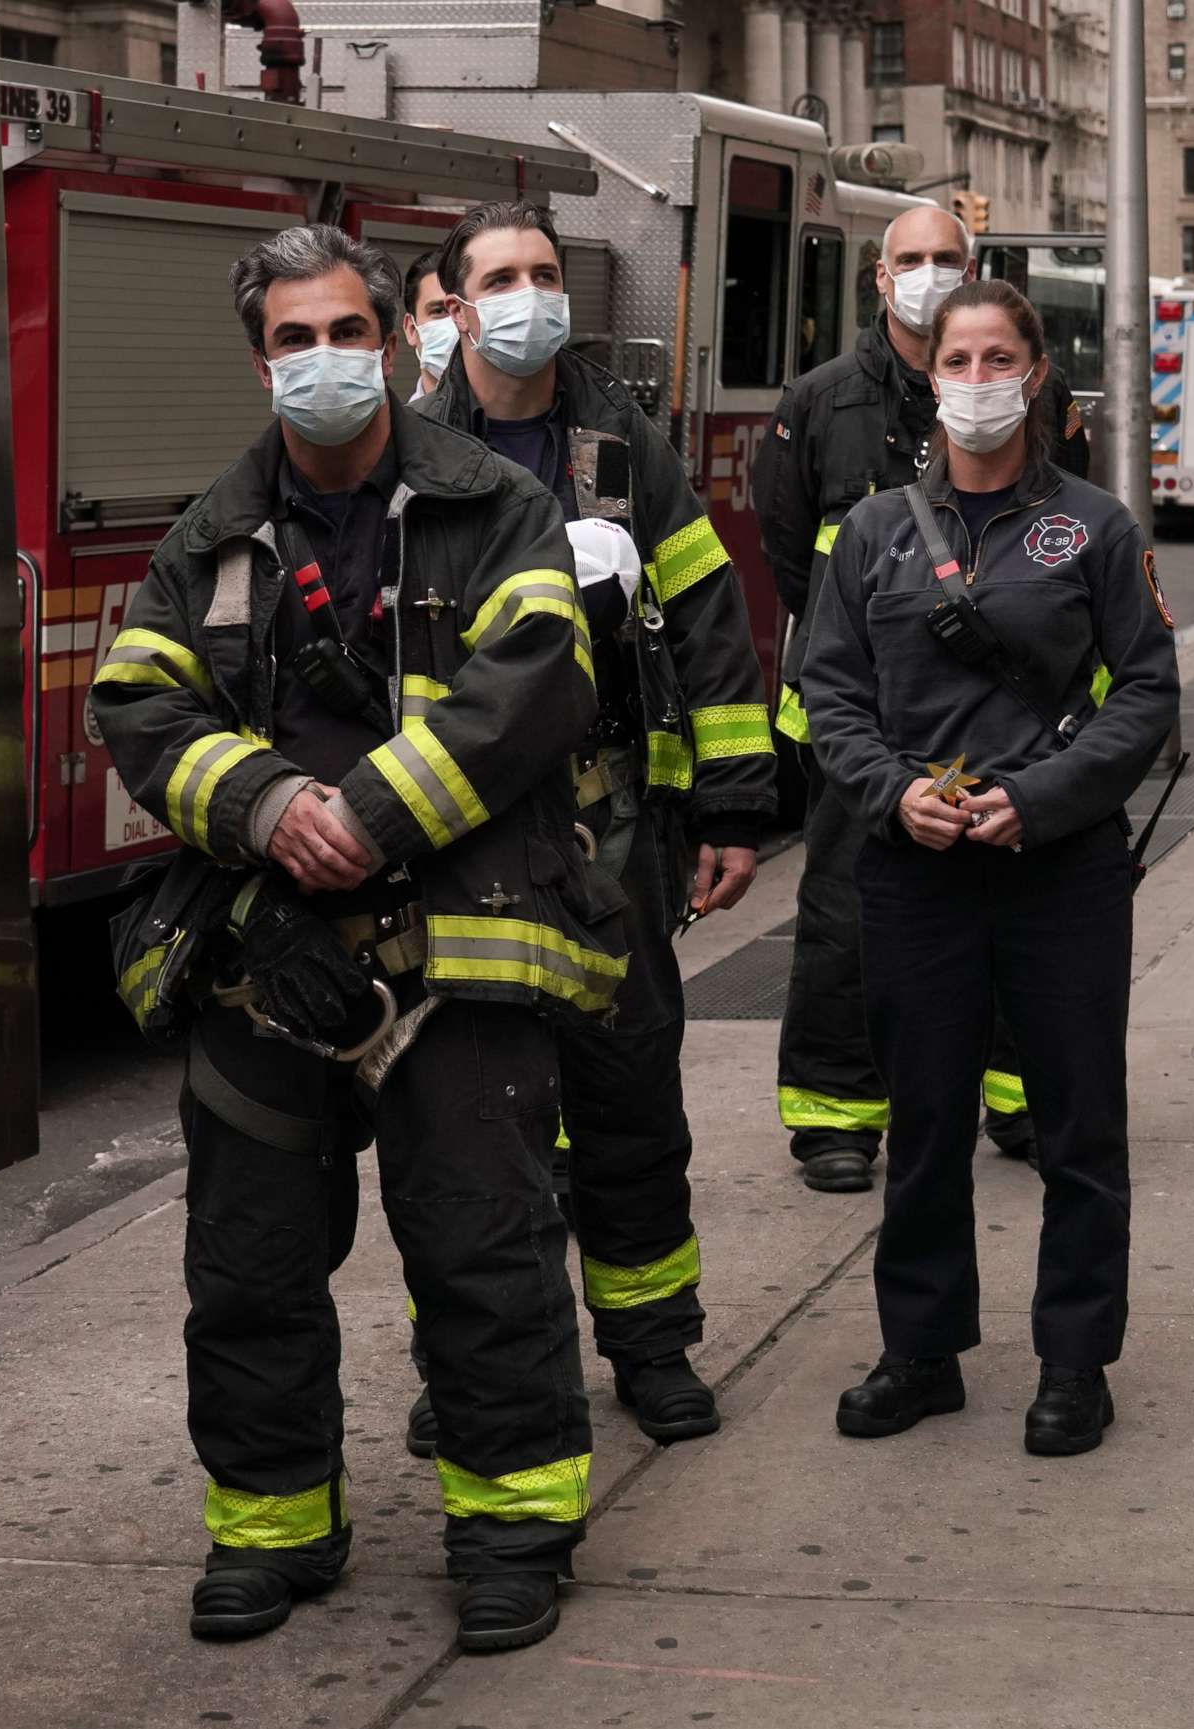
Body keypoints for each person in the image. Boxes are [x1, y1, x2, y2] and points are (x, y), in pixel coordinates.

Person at [88, 223, 627, 1654]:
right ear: (257, 358)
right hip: (267, 955)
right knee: (248, 1265)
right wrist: (269, 812)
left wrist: (366, 817)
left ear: (391, 338)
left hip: (461, 948)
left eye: (344, 332)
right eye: (291, 341)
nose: (321, 360)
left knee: (483, 1247)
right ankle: (274, 1530)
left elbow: (541, 674)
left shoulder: (492, 503)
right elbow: (139, 703)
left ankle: (513, 1526)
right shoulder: (207, 534)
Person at [413, 200, 778, 1449]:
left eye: (546, 273)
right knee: (469, 1123)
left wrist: (732, 805)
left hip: (608, 822)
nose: (530, 295)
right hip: (457, 832)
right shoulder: (405, 452)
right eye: (502, 277)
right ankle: (471, 1362)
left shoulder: (624, 442)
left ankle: (653, 1347)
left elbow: (715, 621)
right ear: (455, 304)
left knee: (627, 1097)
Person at [799, 280, 1178, 1456]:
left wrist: (1042, 800)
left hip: (1058, 873)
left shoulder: (1096, 529)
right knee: (923, 1124)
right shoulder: (871, 537)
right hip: (915, 872)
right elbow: (830, 695)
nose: (974, 379)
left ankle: (1075, 1362)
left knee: (1078, 1124)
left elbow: (1150, 695)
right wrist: (891, 793)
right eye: (956, 359)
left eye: (996, 356)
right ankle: (921, 1352)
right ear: (933, 380)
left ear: (1034, 374)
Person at [753, 205, 1040, 1195]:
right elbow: (790, 557)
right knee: (843, 917)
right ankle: (836, 1114)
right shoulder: (818, 401)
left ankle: (1018, 1094)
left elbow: (1061, 545)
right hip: (857, 721)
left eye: (944, 258)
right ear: (879, 280)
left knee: (1013, 903)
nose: (925, 273)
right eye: (908, 260)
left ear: (975, 269)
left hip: (996, 708)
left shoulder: (1020, 394)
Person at [402, 254, 458, 401]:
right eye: (439, 311)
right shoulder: (398, 424)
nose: (456, 324)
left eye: (461, 309)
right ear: (412, 330)